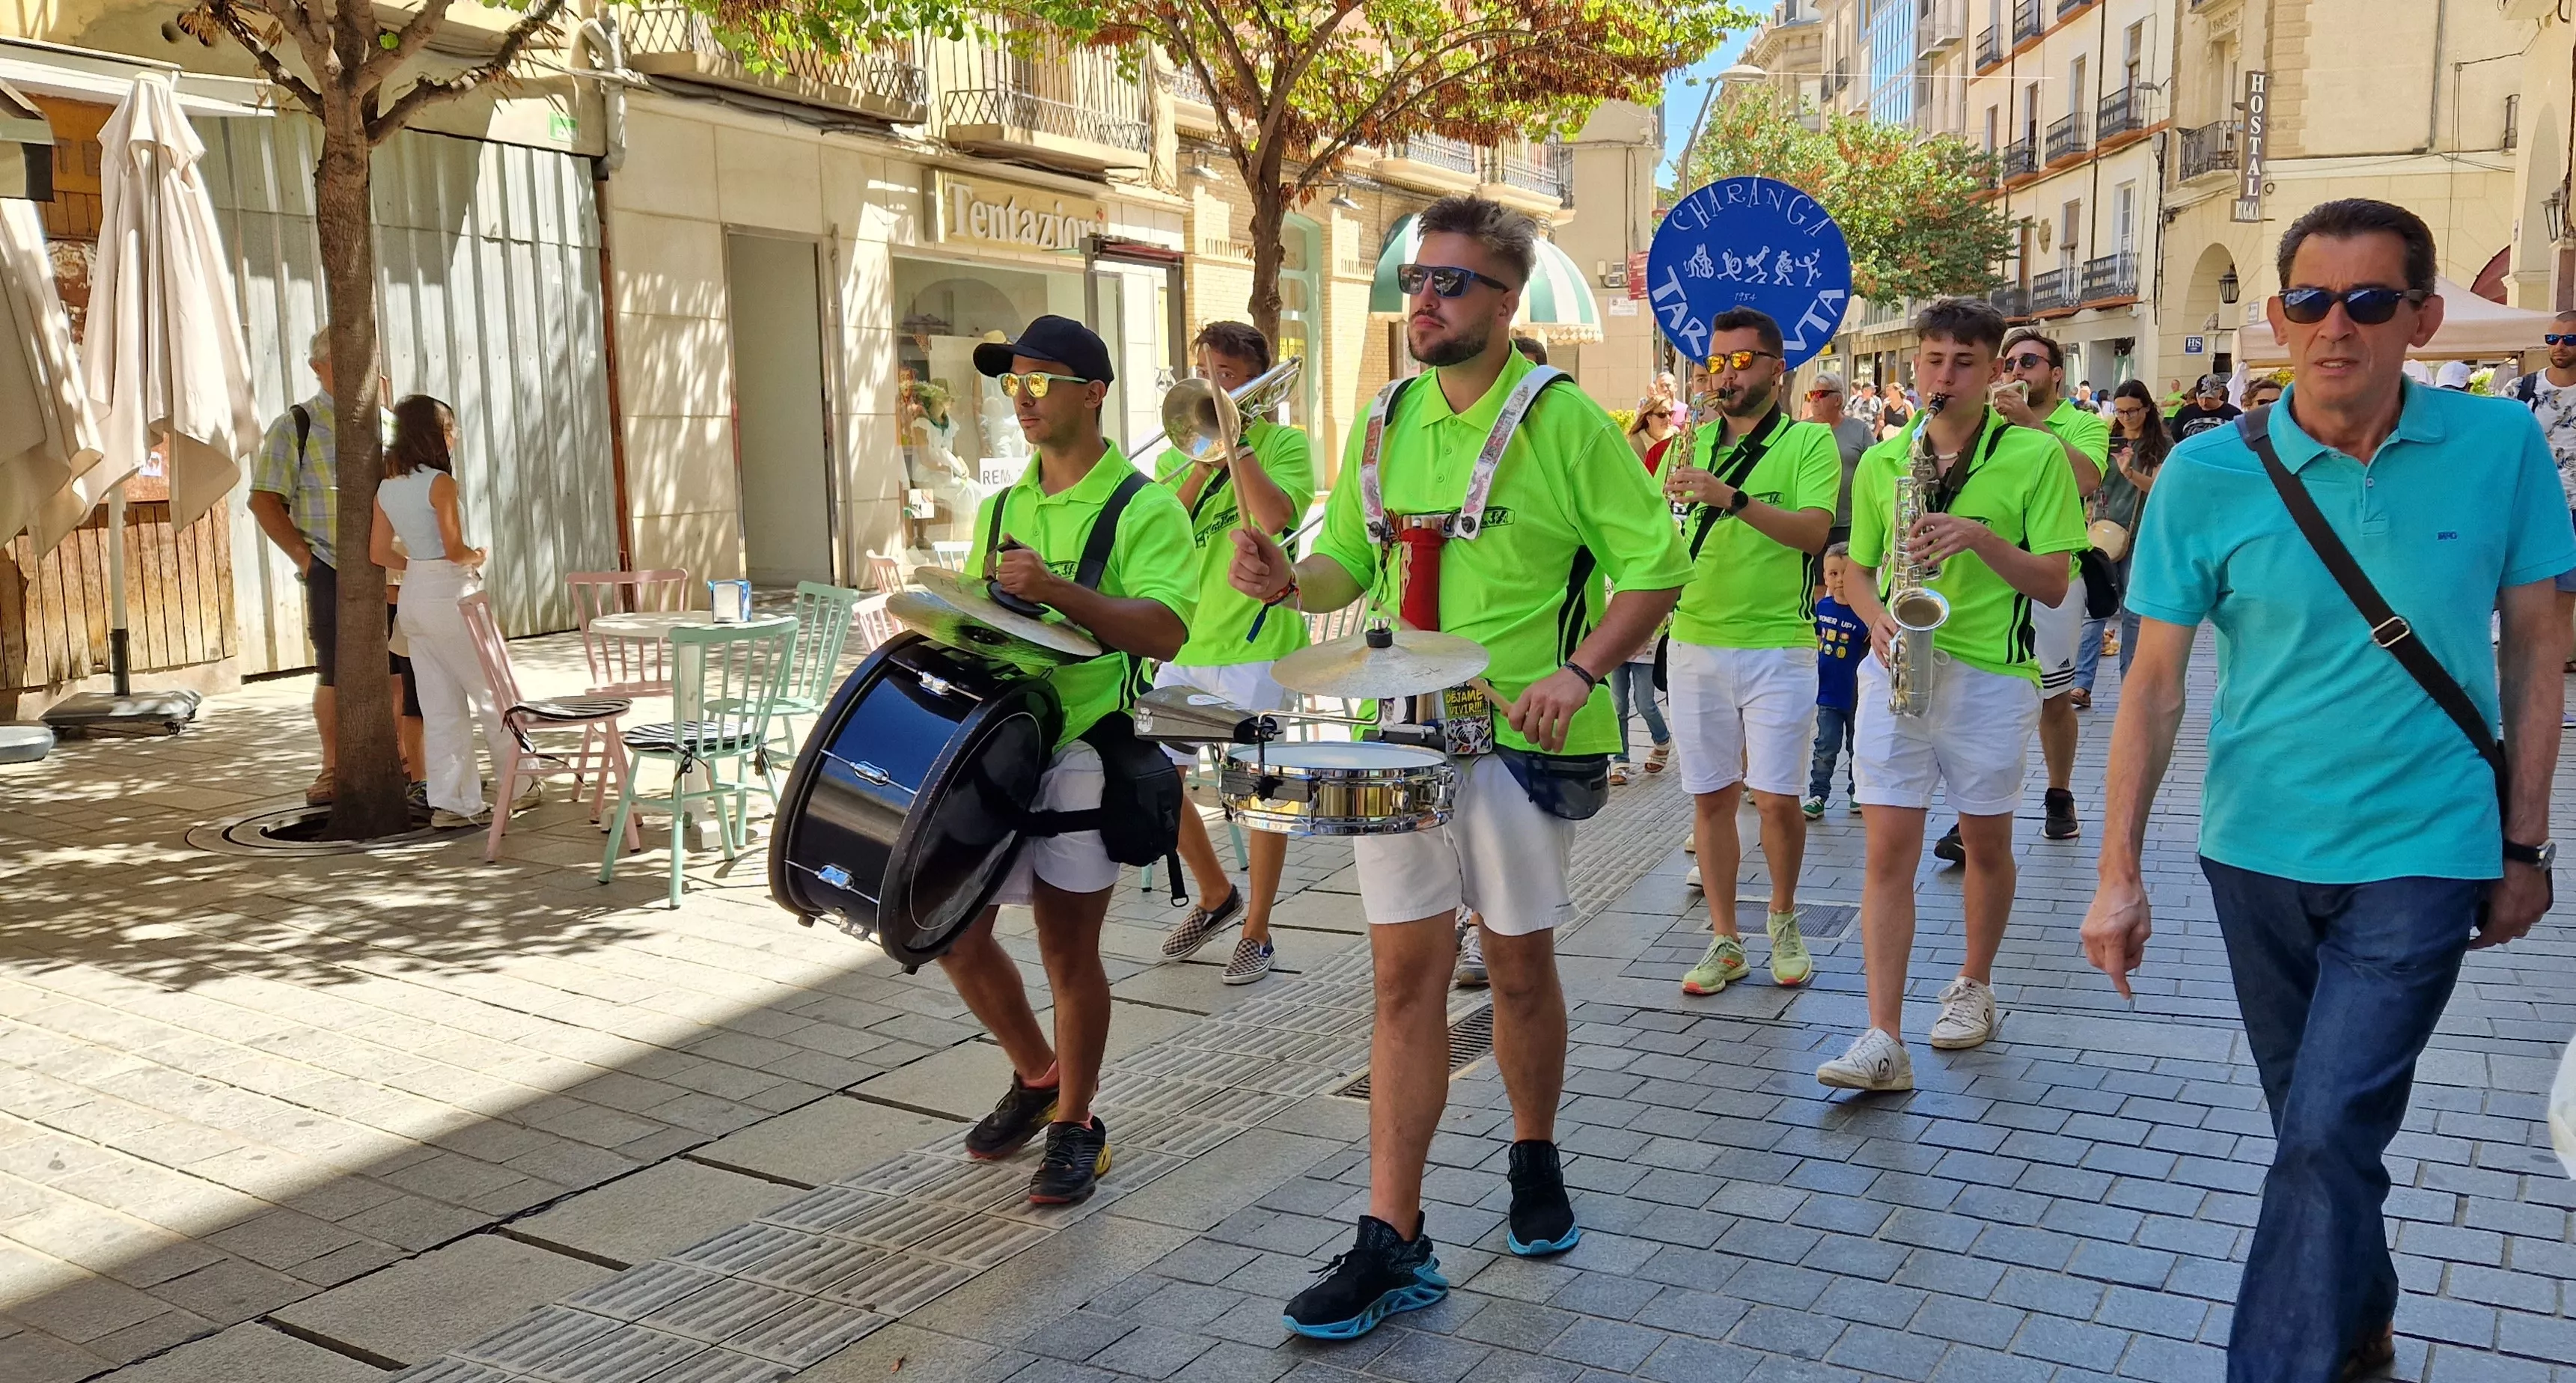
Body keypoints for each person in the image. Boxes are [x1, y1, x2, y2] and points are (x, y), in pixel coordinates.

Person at [2083, 198, 2572, 1383]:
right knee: (2318, 1134)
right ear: (2274, 318)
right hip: (2254, 849)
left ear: (2422, 315)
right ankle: (2357, 1324)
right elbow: (2150, 686)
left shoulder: (2499, 448)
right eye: (2309, 301)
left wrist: (2524, 846)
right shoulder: (2203, 476)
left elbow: (2534, 653)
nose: (2334, 327)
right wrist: (2115, 872)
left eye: (2365, 301)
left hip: (2424, 845)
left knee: (2323, 1132)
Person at [1226, 195, 1688, 1337]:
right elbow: (1342, 561)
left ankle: (1534, 1154)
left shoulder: (1565, 420)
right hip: (1397, 736)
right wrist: (1289, 583)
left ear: (1502, 299)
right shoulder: (1382, 419)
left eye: (1447, 282)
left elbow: (1653, 567)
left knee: (1520, 973)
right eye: (1415, 280)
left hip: (1520, 744)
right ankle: (1393, 1235)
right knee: (1401, 982)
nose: (1421, 301)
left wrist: (1580, 674)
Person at [947, 315, 1197, 1206]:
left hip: (1086, 751)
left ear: (1093, 393)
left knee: (1065, 950)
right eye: (1011, 382)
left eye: (1040, 382)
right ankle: (1037, 1072)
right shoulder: (1003, 507)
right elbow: (989, 618)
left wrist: (1059, 592)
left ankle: (1075, 1123)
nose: (1020, 398)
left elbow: (1166, 629)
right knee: (950, 926)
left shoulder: (1146, 506)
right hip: (998, 741)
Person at [1819, 297, 2086, 1091]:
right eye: (1932, 361)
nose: (1945, 376)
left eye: (1964, 363)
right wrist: (1873, 620)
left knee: (1985, 844)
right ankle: (1882, 1037)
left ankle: (1974, 984)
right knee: (1887, 852)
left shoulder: (2034, 457)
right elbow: (1859, 570)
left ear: (1994, 368)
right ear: (1914, 366)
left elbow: (2052, 580)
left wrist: (1977, 535)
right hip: (1900, 666)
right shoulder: (1883, 461)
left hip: (1990, 675)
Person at [1662, 308, 1837, 995]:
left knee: (1776, 800)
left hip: (1779, 645)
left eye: (1741, 361)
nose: (1725, 375)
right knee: (1709, 798)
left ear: (1776, 368)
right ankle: (1725, 938)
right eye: (1717, 362)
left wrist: (1729, 497)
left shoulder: (1808, 445)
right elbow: (1658, 538)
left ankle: (1784, 918)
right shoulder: (1690, 445)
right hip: (1695, 641)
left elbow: (1812, 535)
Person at [1152, 322, 1314, 986]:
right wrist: (1201, 453)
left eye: (1226, 375)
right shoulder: (1178, 451)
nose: (1213, 385)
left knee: (1262, 792)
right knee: (1154, 775)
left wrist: (1236, 444)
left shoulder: (1285, 445)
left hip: (1258, 645)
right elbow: (1160, 529)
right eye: (1205, 372)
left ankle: (1258, 932)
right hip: (1190, 643)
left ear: (1255, 384)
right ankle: (1217, 895)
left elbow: (1274, 516)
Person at [1929, 328, 2103, 858]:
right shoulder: (1983, 423)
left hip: (2053, 576)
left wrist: (2031, 426)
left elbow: (2088, 480)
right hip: (1984, 579)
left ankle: (2059, 792)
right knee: (1992, 691)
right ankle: (1975, 812)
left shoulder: (2082, 424)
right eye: (2008, 362)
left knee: (2050, 696)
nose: (2017, 371)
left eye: (2029, 361)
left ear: (2056, 373)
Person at [248, 327, 423, 806]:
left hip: (390, 569)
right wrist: (307, 560)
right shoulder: (295, 426)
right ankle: (333, 768)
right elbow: (264, 501)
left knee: (394, 665)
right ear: (318, 367)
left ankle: (399, 762)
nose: (356, 369)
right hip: (331, 565)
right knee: (334, 670)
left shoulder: (391, 427)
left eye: (365, 359)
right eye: (342, 360)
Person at [369, 397, 512, 830]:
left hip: (414, 597)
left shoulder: (387, 485)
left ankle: (453, 803)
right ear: (437, 435)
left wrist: (417, 565)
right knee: (494, 693)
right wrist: (478, 555)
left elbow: (378, 553)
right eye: (452, 430)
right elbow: (455, 551)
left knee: (440, 706)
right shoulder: (440, 483)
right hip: (452, 595)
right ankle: (518, 784)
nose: (455, 438)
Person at [2071, 379, 2167, 704]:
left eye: (2133, 411)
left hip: (2139, 535)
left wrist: (2129, 473)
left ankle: (2131, 688)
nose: (2126, 417)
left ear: (2147, 409)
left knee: (2132, 613)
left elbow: (2160, 488)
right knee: (2094, 610)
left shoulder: (2159, 445)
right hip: (2100, 534)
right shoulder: (2106, 439)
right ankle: (2081, 685)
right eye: (2121, 411)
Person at [2510, 311, 2576, 680]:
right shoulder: (2521, 392)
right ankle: (2519, 683)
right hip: (2531, 512)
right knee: (2522, 606)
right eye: (2553, 339)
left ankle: (2549, 682)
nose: (2560, 346)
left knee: (2562, 607)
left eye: (2570, 339)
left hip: (2575, 512)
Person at [1805, 546, 1864, 818]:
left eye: (1847, 574)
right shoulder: (1822, 608)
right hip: (1827, 694)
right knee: (1825, 746)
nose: (1840, 580)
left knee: (1857, 746)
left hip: (1856, 695)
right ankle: (1818, 794)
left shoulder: (1865, 612)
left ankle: (1858, 792)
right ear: (1825, 578)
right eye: (1833, 573)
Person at [1805, 372, 1876, 546]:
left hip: (1849, 524)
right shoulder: (1801, 431)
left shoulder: (1859, 430)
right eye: (1811, 394)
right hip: (1809, 525)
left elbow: (1875, 471)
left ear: (1837, 400)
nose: (1814, 399)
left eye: (1820, 394)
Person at [2169, 373, 2241, 440]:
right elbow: (2173, 438)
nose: (2204, 402)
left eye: (2209, 398)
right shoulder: (2184, 413)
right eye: (2201, 397)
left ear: (2220, 392)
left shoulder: (2234, 415)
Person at [1626, 397, 1679, 471]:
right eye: (1662, 415)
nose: (1668, 419)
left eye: (1670, 414)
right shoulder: (1637, 443)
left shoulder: (1676, 436)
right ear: (1649, 418)